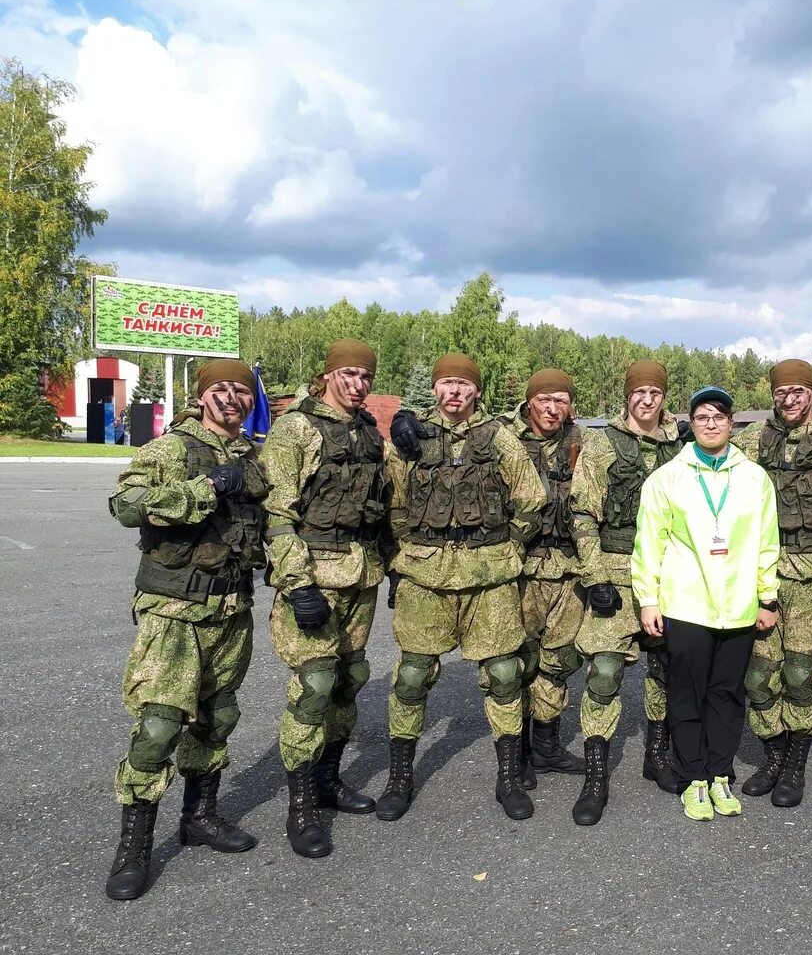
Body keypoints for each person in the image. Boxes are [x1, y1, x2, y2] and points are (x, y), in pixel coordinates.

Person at [104, 359, 265, 900]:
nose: (232, 399)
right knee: (159, 727)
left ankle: (201, 817)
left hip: (230, 609)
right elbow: (125, 505)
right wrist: (203, 489)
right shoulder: (169, 449)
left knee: (217, 717)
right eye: (221, 389)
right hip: (174, 610)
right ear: (201, 397)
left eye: (241, 391)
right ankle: (134, 848)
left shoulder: (254, 454)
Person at [378, 353, 547, 821]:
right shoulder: (409, 438)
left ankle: (509, 777)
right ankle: (399, 777)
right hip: (425, 577)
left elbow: (532, 498)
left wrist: (508, 547)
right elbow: (391, 503)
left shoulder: (499, 438)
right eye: (447, 384)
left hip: (488, 575)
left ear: (477, 391)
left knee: (504, 676)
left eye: (464, 385)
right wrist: (404, 555)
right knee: (411, 677)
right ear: (436, 389)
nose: (455, 392)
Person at [260, 339, 388, 858]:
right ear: (328, 375)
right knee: (313, 685)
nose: (358, 384)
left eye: (365, 377)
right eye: (349, 374)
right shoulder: (295, 427)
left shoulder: (367, 431)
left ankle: (330, 781)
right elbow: (276, 512)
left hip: (359, 575)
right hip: (313, 573)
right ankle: (301, 805)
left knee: (347, 680)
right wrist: (297, 583)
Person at [632, 387, 780, 821]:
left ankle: (720, 774)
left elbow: (767, 543)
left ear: (732, 423)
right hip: (686, 606)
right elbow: (649, 544)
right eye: (702, 416)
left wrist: (767, 596)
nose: (711, 423)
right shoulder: (668, 478)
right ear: (690, 424)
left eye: (718, 416)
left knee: (727, 695)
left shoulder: (754, 478)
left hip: (738, 606)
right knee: (687, 694)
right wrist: (648, 600)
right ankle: (694, 777)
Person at [729, 359, 812, 807]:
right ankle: (773, 756)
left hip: (809, 577)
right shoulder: (751, 441)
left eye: (798, 392)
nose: (789, 400)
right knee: (760, 676)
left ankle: (796, 765)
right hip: (759, 572)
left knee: (800, 675)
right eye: (782, 393)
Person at [569, 360, 683, 825]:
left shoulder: (685, 445)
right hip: (615, 569)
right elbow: (582, 515)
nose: (648, 399)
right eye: (640, 392)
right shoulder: (601, 443)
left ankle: (657, 757)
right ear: (628, 396)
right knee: (605, 672)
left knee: (667, 669)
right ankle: (596, 776)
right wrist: (595, 575)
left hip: (671, 574)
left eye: (655, 392)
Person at [499, 370, 589, 783]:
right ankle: (515, 751)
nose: (553, 409)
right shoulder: (502, 438)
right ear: (529, 401)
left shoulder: (586, 442)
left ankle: (546, 747)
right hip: (520, 568)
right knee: (517, 661)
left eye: (562, 400)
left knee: (558, 661)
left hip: (569, 569)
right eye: (544, 400)